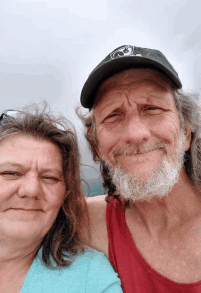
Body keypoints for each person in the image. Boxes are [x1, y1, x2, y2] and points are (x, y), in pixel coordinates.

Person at [78, 45, 201, 292]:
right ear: (96, 146)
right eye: (114, 115)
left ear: (185, 132)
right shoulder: (85, 221)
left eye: (152, 108)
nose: (136, 134)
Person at [0, 105, 122, 293]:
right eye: (11, 173)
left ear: (65, 194)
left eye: (50, 177)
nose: (31, 190)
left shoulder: (90, 280)